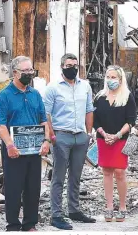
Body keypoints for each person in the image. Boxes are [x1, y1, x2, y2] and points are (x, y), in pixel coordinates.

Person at [0, 56, 51, 232]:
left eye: (31, 70)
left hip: (34, 149)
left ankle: (30, 224)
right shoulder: (4, 96)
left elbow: (43, 121)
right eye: (25, 71)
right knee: (13, 188)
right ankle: (13, 225)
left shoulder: (35, 95)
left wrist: (47, 141)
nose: (29, 74)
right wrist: (10, 145)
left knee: (33, 188)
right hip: (14, 149)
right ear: (15, 72)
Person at [43, 53, 96, 230]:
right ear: (62, 67)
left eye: (75, 65)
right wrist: (52, 136)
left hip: (80, 136)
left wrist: (88, 133)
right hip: (61, 136)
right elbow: (46, 114)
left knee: (76, 176)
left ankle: (74, 210)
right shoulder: (53, 88)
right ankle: (56, 215)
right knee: (58, 177)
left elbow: (89, 110)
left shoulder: (85, 86)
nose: (72, 68)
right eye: (68, 65)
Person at [93, 65, 136, 223]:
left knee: (120, 171)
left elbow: (131, 120)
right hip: (103, 138)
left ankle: (122, 206)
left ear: (120, 79)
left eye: (114, 77)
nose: (110, 80)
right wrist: (104, 134)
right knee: (107, 171)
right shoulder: (100, 96)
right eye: (108, 77)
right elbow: (95, 120)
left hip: (121, 139)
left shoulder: (127, 96)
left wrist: (117, 136)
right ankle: (109, 206)